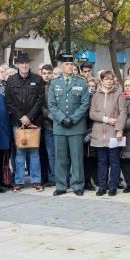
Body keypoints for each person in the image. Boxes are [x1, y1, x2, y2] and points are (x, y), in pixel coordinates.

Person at [48, 54, 91, 196]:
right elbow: (51, 104)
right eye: (66, 64)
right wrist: (62, 119)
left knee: (77, 157)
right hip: (60, 126)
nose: (69, 67)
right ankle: (61, 185)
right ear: (62, 66)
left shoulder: (81, 82)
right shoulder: (54, 83)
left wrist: (72, 119)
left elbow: (85, 104)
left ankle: (78, 185)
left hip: (76, 126)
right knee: (60, 157)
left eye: (71, 64)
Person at [4, 52, 45, 191]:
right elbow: (8, 101)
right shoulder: (11, 80)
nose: (24, 66)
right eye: (21, 63)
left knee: (34, 153)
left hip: (34, 122)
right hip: (18, 122)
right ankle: (19, 181)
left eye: (26, 63)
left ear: (30, 64)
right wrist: (21, 116)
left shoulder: (38, 79)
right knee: (20, 153)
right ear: (17, 65)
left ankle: (36, 181)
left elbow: (40, 100)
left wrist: (29, 117)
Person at [89, 70, 126, 196]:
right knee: (102, 161)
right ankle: (102, 186)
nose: (109, 81)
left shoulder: (119, 94)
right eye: (106, 79)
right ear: (102, 81)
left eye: (111, 79)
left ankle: (113, 186)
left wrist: (119, 130)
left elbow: (123, 112)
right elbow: (92, 113)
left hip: (113, 133)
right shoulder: (96, 95)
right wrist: (106, 119)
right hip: (99, 133)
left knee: (114, 161)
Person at [39, 64, 57, 187]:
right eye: (44, 73)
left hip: (59, 123)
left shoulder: (57, 85)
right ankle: (52, 177)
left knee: (58, 153)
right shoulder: (38, 86)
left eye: (49, 73)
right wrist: (49, 114)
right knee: (49, 154)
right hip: (46, 124)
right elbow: (38, 104)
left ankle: (58, 177)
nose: (46, 75)